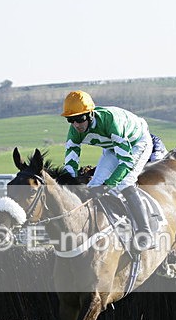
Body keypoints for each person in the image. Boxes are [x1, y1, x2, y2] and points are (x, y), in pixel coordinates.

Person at [61, 90, 155, 250]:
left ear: (90, 114)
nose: (76, 124)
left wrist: (108, 185)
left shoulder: (111, 122)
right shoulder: (74, 131)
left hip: (137, 142)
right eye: (71, 120)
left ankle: (145, 233)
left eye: (79, 119)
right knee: (93, 186)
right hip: (112, 147)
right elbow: (70, 163)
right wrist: (69, 186)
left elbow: (126, 162)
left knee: (124, 182)